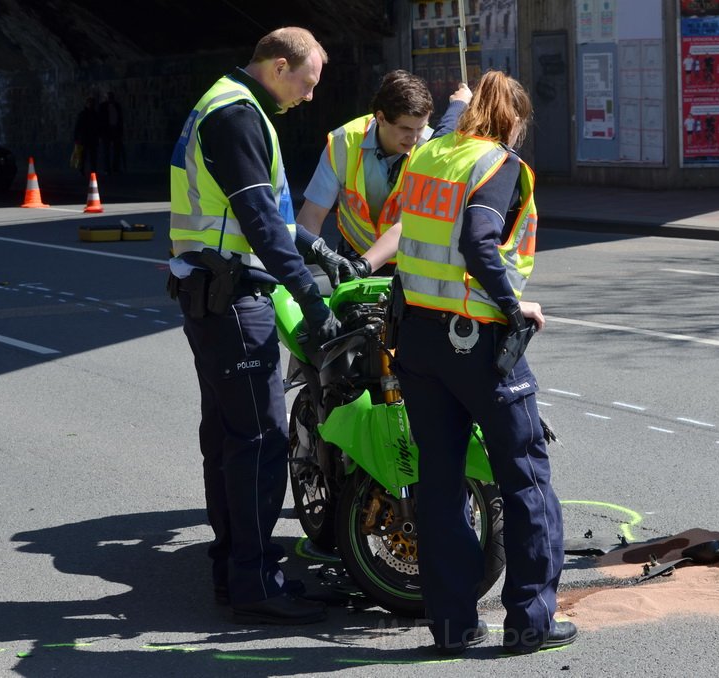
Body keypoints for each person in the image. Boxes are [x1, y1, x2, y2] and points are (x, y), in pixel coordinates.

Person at [168, 26, 352, 626]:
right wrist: (310, 294)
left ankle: (231, 569)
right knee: (259, 441)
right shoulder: (238, 116)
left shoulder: (223, 104)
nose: (309, 95)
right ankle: (255, 581)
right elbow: (259, 221)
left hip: (209, 292)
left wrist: (317, 249)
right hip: (233, 299)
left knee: (226, 436)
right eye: (307, 81)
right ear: (278, 66)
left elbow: (265, 210)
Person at [393, 70, 576, 655]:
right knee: (526, 480)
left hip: (418, 339)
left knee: (440, 484)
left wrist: (455, 105)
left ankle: (450, 626)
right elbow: (478, 239)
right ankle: (529, 625)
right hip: (477, 340)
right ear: (513, 120)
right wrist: (514, 306)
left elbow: (449, 139)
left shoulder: (429, 155)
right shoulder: (498, 165)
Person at [295, 70, 471, 280]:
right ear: (381, 118)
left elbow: (405, 224)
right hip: (353, 255)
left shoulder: (430, 148)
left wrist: (361, 268)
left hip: (408, 264)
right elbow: (312, 215)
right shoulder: (344, 141)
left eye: (421, 127)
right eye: (405, 128)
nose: (414, 137)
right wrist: (304, 269)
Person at [98, 91, 124, 174]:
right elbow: (101, 120)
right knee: (106, 150)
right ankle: (107, 168)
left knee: (116, 150)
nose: (110, 99)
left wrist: (120, 130)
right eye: (108, 97)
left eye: (111, 97)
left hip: (115, 129)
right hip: (106, 130)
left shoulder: (117, 106)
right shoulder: (102, 106)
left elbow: (120, 118)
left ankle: (115, 168)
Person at [73, 95, 99, 176]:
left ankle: (92, 170)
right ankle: (82, 170)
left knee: (92, 156)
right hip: (85, 138)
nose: (91, 105)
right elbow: (78, 126)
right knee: (84, 156)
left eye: (92, 103)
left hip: (91, 137)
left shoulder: (94, 114)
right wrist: (76, 137)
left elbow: (97, 126)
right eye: (90, 103)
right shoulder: (83, 114)